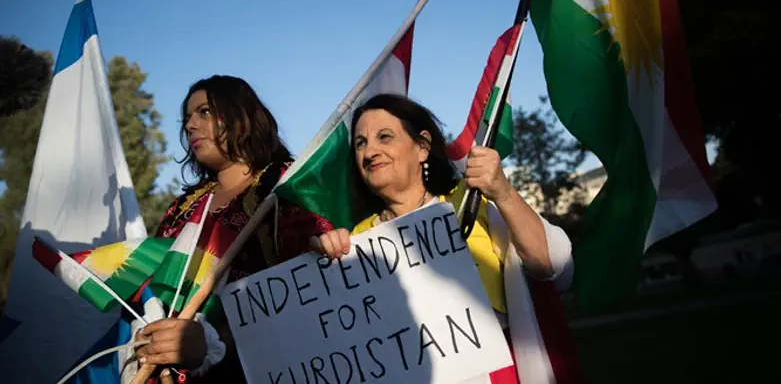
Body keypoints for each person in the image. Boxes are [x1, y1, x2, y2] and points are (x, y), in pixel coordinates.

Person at [313, 93, 582, 384]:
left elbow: (552, 266)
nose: (369, 152)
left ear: (422, 147)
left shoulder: (470, 203)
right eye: (361, 143)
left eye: (385, 137)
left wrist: (503, 193)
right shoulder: (358, 240)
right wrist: (328, 260)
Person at [128, 75, 334, 383]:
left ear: (241, 117)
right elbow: (155, 289)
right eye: (187, 118)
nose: (189, 125)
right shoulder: (181, 209)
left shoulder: (287, 186)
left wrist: (214, 340)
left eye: (204, 113)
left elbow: (312, 287)